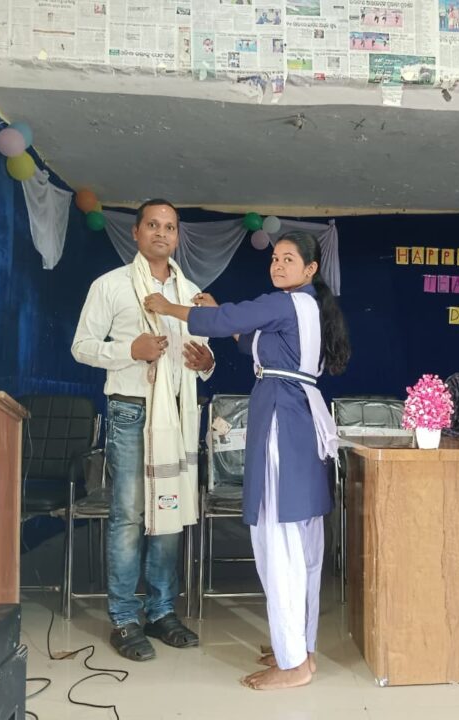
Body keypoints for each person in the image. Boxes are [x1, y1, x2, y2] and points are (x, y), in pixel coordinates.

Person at [144, 231, 350, 690]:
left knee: (278, 541)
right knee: (304, 543)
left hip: (282, 418)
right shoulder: (308, 309)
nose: (278, 265)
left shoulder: (284, 303)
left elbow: (228, 322)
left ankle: (294, 664)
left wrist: (170, 308)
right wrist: (220, 311)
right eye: (274, 258)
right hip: (301, 418)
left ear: (310, 269)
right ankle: (299, 647)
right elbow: (249, 339)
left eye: (289, 259)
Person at [71, 199, 215, 661]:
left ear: (177, 236)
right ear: (136, 233)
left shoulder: (190, 292)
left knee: (168, 512)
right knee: (130, 516)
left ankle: (161, 611)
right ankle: (124, 618)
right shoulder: (110, 285)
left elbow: (201, 354)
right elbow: (81, 347)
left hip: (177, 415)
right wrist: (129, 350)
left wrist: (207, 362)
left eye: (169, 227)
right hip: (131, 411)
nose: (161, 233)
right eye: (152, 225)